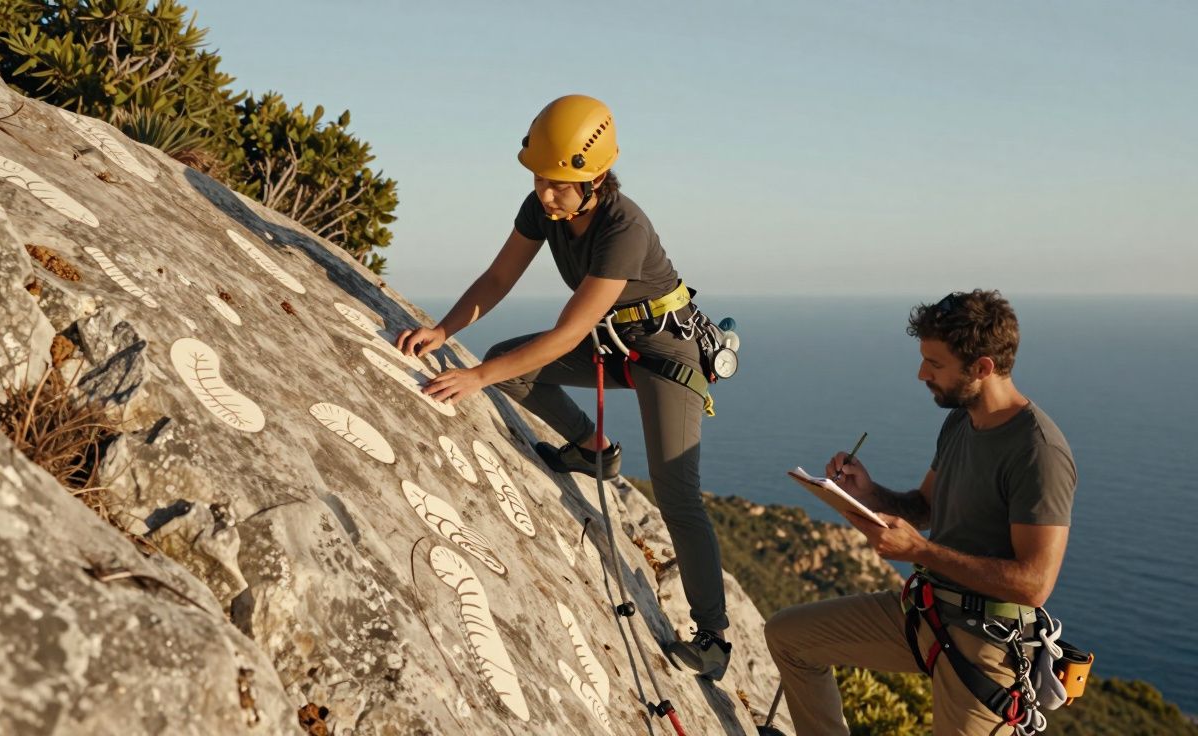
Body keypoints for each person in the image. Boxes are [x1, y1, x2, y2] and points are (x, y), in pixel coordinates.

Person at [396, 94, 733, 679]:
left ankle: (714, 638)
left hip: (664, 355)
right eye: (538, 178)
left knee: (678, 495)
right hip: (613, 340)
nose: (544, 193)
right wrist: (443, 328)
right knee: (510, 362)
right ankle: (593, 451)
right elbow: (500, 275)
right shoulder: (543, 209)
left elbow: (567, 332)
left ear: (596, 176)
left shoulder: (624, 228)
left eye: (557, 182)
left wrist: (475, 378)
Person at [764, 289, 1078, 735]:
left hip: (985, 645)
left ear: (983, 368)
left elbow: (1034, 584)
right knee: (789, 637)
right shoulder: (961, 422)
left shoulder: (1038, 451)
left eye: (935, 364)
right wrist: (866, 492)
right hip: (924, 613)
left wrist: (923, 552)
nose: (921, 374)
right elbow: (924, 506)